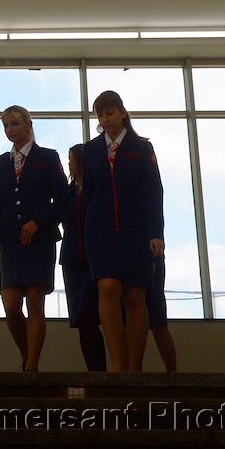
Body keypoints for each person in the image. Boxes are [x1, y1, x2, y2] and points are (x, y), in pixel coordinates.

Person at [0, 106, 68, 371]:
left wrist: (38, 220)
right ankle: (26, 353)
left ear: (28, 125)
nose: (10, 130)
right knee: (10, 304)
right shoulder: (0, 163)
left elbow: (62, 199)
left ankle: (32, 365)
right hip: (10, 241)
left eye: (14, 124)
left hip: (39, 241)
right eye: (5, 125)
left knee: (35, 302)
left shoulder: (47, 157)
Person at [82, 90, 165, 373]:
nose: (106, 119)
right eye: (101, 114)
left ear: (122, 112)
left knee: (135, 295)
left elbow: (153, 190)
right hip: (100, 231)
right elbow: (88, 193)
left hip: (136, 231)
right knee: (107, 287)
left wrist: (156, 232)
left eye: (110, 112)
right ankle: (118, 364)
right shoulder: (90, 150)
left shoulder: (141, 148)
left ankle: (135, 367)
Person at [60, 143, 106, 372]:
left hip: (95, 259)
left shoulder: (96, 190)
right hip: (72, 260)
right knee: (82, 318)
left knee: (97, 314)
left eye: (72, 159)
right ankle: (95, 371)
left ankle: (107, 370)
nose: (69, 163)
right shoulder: (67, 192)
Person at [141, 256, 178, 372]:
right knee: (158, 323)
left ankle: (173, 373)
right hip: (148, 257)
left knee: (158, 323)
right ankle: (130, 371)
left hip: (150, 256)